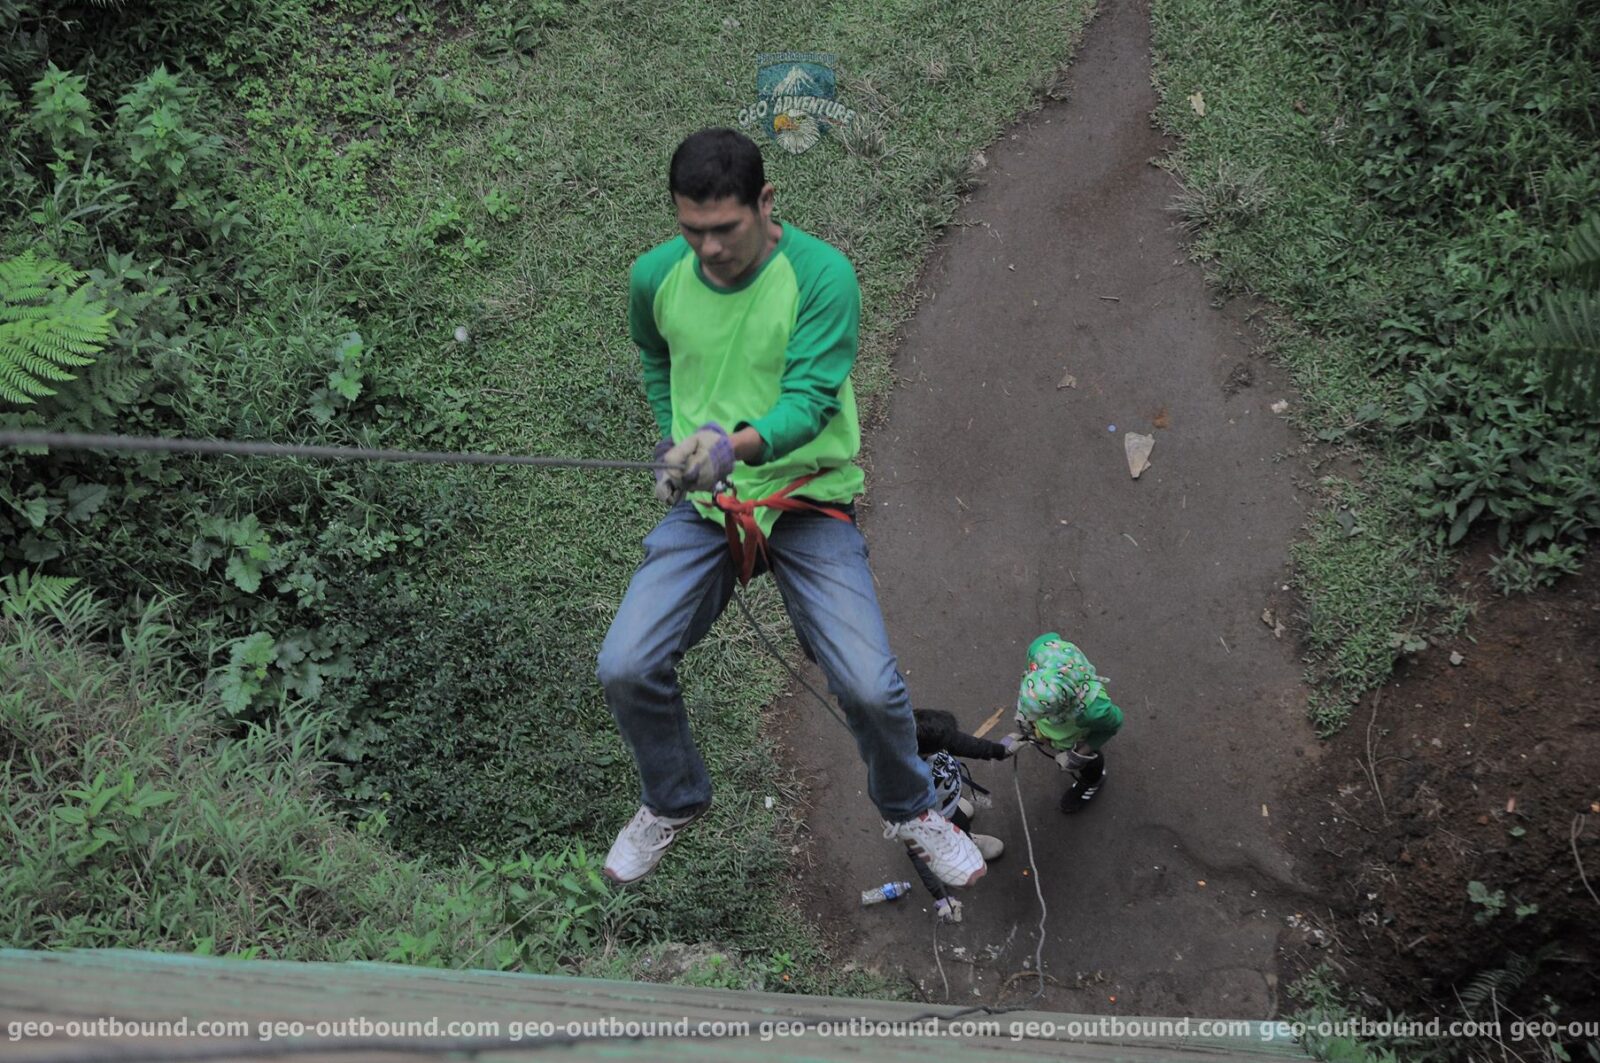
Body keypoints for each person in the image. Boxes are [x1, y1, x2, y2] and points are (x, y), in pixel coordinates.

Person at [597, 127, 985, 890]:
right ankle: (673, 796)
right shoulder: (655, 276)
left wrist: (726, 446)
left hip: (806, 500)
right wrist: (675, 435)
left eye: (724, 228)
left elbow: (808, 404)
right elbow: (655, 355)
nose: (708, 248)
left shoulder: (821, 276)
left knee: (869, 684)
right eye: (691, 229)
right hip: (710, 508)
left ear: (766, 202)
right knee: (626, 663)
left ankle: (911, 808)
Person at [905, 710, 1021, 923]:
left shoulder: (918, 735)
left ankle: (954, 811)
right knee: (957, 823)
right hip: (934, 818)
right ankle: (964, 843)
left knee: (959, 813)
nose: (948, 745)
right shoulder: (906, 787)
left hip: (943, 799)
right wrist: (942, 898)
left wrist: (999, 750)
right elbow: (917, 847)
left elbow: (959, 743)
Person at [1013, 633, 1125, 813]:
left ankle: (1093, 780)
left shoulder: (1094, 711)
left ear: (1062, 708)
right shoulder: (1042, 651)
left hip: (1074, 735)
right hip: (1061, 723)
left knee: (1090, 762)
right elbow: (1052, 636)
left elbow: (1114, 724)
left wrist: (1079, 754)